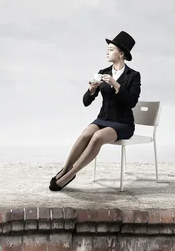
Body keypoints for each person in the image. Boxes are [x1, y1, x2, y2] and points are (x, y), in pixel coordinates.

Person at [49, 31, 141, 191]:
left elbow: (132, 102)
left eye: (111, 49)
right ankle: (65, 169)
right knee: (85, 134)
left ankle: (71, 175)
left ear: (121, 53)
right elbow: (86, 102)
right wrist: (91, 91)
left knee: (97, 137)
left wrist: (116, 85)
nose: (107, 52)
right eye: (107, 49)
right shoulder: (103, 72)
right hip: (103, 119)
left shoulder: (133, 75)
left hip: (122, 123)